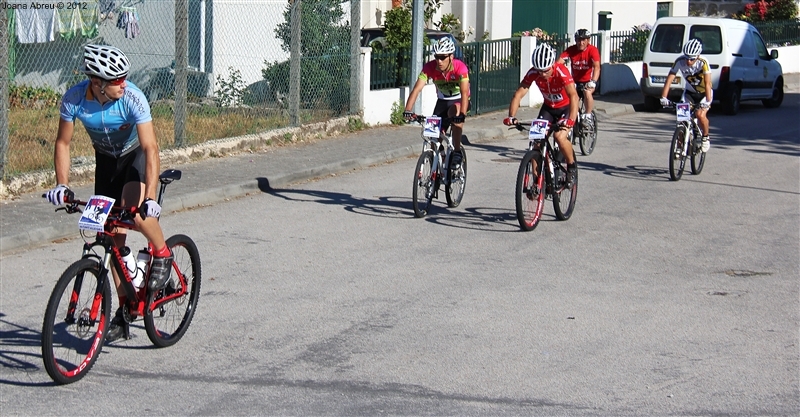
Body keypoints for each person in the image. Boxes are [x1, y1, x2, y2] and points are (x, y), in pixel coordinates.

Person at [44, 44, 174, 342]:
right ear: (97, 83)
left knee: (136, 215)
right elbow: (63, 143)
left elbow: (150, 147)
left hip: (134, 158)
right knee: (110, 236)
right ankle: (125, 308)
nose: (123, 83)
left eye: (124, 77)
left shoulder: (133, 97)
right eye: (116, 80)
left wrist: (151, 197)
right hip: (105, 161)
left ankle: (163, 255)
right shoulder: (75, 98)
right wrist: (62, 185)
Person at [503, 43, 579, 188]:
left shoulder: (561, 71)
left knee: (559, 137)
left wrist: (571, 120)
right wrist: (511, 116)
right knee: (536, 141)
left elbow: (574, 96)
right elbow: (519, 94)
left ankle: (571, 167)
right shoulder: (533, 73)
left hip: (566, 108)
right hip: (548, 108)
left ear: (552, 65)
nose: (543, 74)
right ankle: (537, 184)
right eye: (539, 71)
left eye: (546, 70)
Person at [403, 37, 470, 168]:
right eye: (436, 57)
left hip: (459, 100)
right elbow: (417, 89)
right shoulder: (430, 67)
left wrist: (462, 114)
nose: (439, 61)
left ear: (451, 56)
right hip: (442, 102)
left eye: (442, 57)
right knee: (433, 135)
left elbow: (464, 93)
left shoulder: (460, 68)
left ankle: (457, 151)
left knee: (455, 112)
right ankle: (441, 161)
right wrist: (408, 110)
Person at [660, 38, 713, 152]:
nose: (688, 61)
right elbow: (669, 80)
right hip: (689, 93)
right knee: (681, 120)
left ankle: (705, 137)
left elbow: (708, 83)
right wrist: (663, 97)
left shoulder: (703, 62)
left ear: (698, 56)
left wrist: (707, 102)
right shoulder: (679, 61)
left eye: (692, 59)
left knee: (700, 115)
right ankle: (680, 147)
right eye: (687, 58)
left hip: (704, 94)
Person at [557, 29, 600, 122]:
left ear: (588, 40)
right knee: (569, 98)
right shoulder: (571, 50)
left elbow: (596, 67)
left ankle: (588, 114)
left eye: (584, 40)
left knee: (587, 92)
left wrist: (593, 81)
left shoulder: (592, 50)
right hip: (575, 81)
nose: (581, 43)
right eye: (578, 40)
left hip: (589, 80)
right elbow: (559, 63)